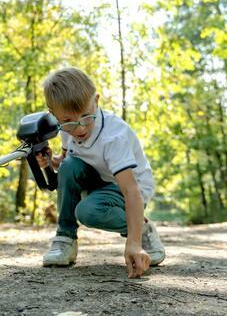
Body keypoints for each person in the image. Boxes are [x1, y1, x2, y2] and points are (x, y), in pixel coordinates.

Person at [36, 67, 165, 279]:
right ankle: (65, 238)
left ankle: (142, 228)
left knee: (87, 212)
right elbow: (68, 165)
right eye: (69, 121)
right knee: (69, 165)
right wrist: (51, 162)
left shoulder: (113, 137)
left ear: (96, 100)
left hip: (129, 188)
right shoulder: (66, 129)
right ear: (54, 116)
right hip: (99, 180)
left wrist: (133, 243)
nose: (79, 128)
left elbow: (131, 190)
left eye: (87, 116)